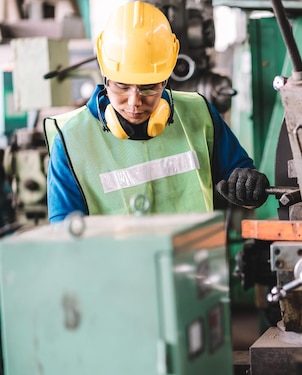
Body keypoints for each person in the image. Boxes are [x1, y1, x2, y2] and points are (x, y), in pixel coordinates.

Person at [44, 1, 269, 223]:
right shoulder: (72, 141)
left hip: (195, 258)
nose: (134, 102)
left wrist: (250, 190)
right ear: (105, 76)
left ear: (166, 80)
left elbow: (242, 187)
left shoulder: (198, 115)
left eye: (148, 87)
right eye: (121, 86)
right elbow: (66, 237)